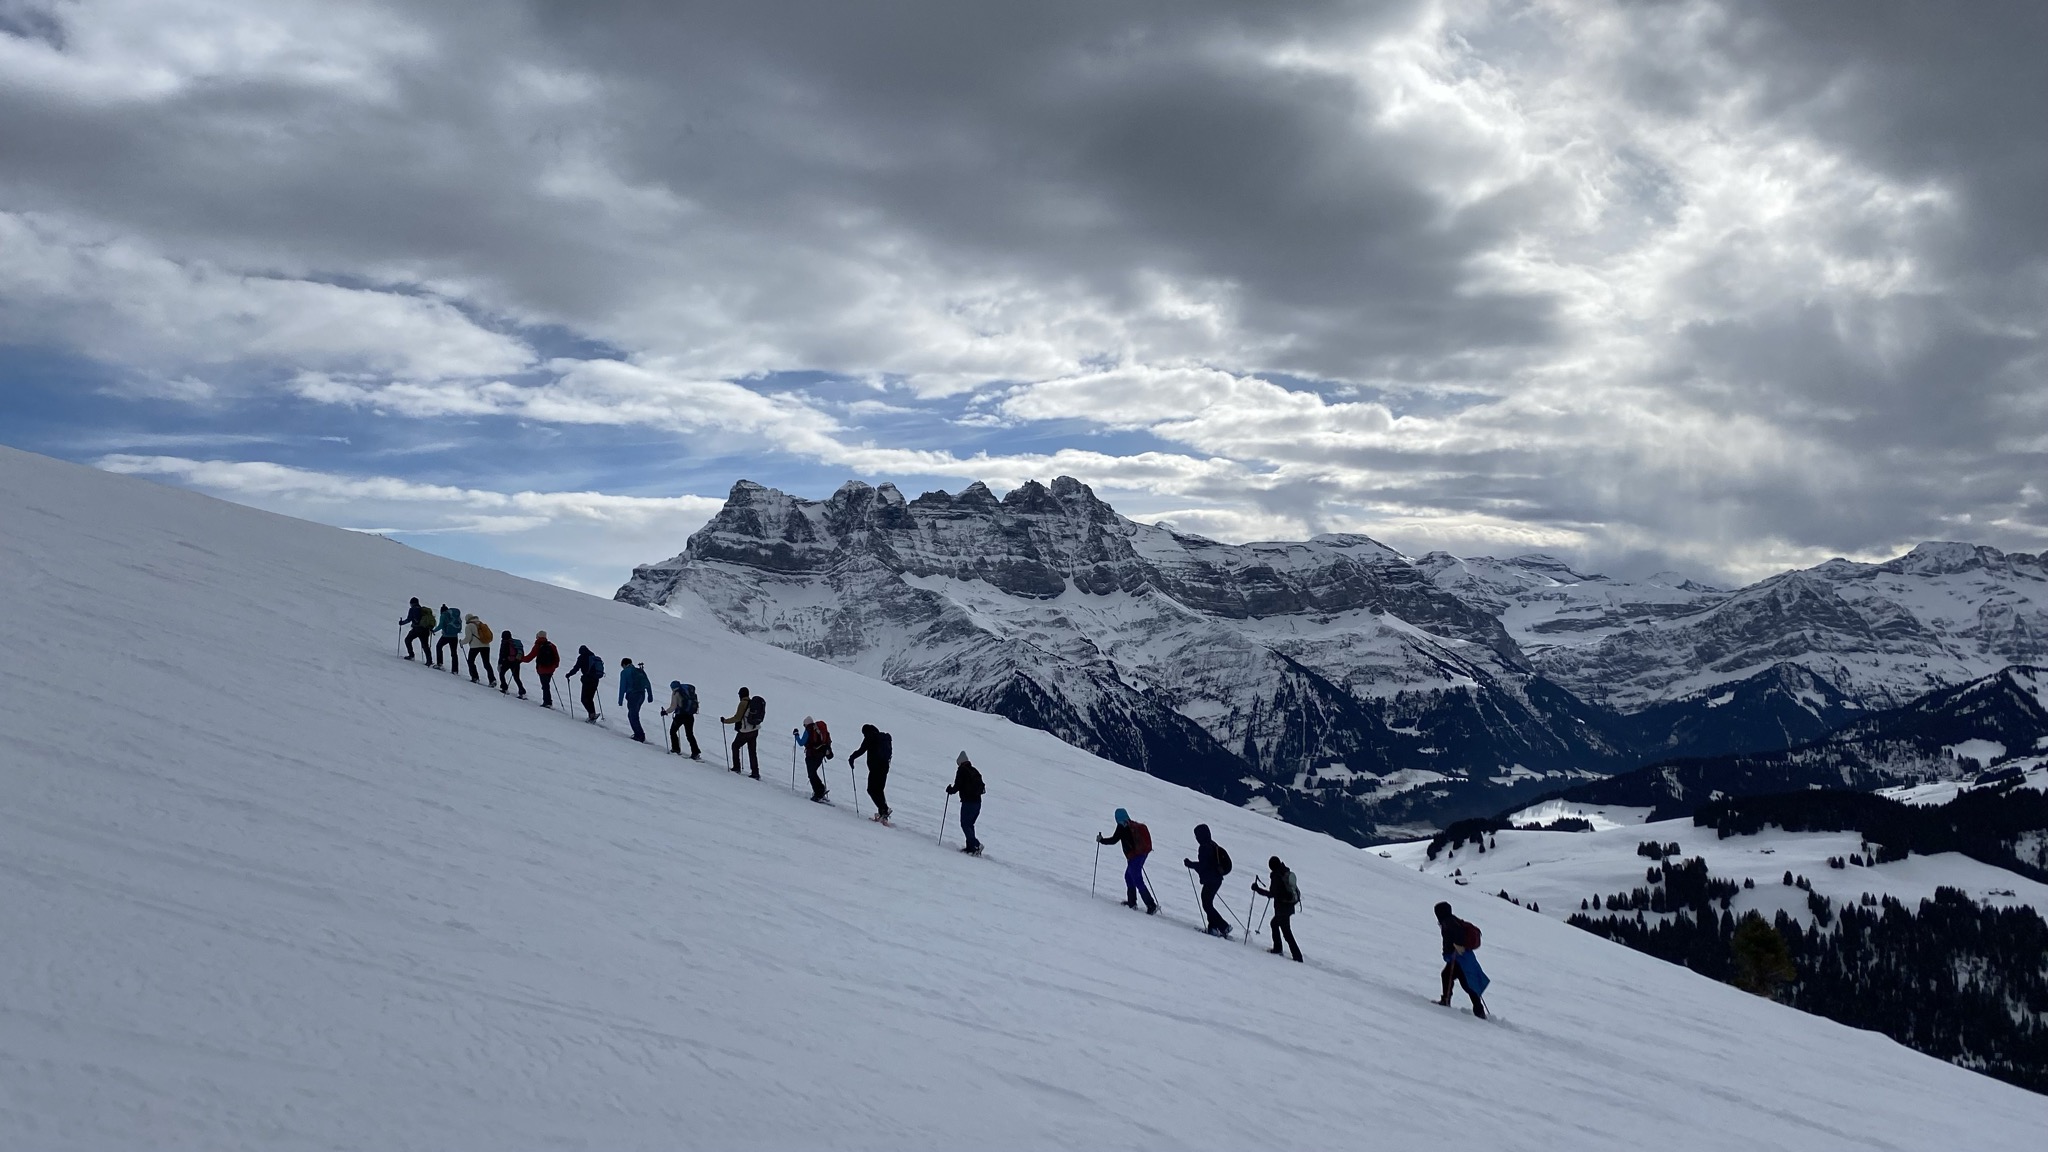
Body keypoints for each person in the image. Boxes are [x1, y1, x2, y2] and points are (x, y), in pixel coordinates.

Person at [1097, 810, 1157, 913]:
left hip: (1134, 856)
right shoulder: (1132, 824)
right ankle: (1132, 902)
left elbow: (1113, 840)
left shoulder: (1122, 827)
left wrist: (1101, 840)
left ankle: (1151, 905)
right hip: (1142, 854)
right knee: (1129, 876)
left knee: (1136, 878)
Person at [1435, 901, 1488, 1019]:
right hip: (1461, 957)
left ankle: (1447, 1001)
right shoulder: (1451, 920)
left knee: (1459, 981)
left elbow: (1458, 936)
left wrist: (1457, 946)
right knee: (1461, 981)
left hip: (1459, 958)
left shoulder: (1449, 922)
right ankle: (1478, 1011)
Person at [1184, 824, 1232, 937]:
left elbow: (1203, 866)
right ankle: (1213, 928)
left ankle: (1223, 926)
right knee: (1208, 903)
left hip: (1211, 879)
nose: (1196, 838)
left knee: (1207, 904)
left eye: (1197, 835)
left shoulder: (1204, 847)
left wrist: (1190, 864)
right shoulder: (1212, 844)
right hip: (1216, 879)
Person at [1252, 857, 1303, 962]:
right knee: (1275, 924)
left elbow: (1272, 894)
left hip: (1282, 909)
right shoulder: (1285, 871)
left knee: (1286, 932)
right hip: (1288, 907)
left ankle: (1296, 956)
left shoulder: (1277, 877)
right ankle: (1279, 949)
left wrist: (1257, 889)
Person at [848, 723, 893, 823]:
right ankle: (883, 812)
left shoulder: (870, 737)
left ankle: (884, 810)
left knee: (871, 790)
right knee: (879, 790)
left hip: (875, 768)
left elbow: (861, 750)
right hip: (885, 766)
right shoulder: (883, 738)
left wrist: (852, 758)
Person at [946, 751, 984, 854]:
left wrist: (950, 790)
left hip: (968, 802)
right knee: (970, 824)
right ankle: (971, 848)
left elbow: (958, 785)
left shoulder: (962, 770)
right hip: (977, 802)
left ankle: (976, 845)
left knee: (965, 824)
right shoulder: (974, 770)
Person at [724, 687, 761, 777]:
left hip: (746, 731)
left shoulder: (743, 703)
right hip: (755, 729)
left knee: (735, 746)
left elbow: (737, 717)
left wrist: (725, 721)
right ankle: (755, 772)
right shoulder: (752, 703)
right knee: (752, 751)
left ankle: (737, 767)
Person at [795, 716, 833, 801]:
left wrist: (796, 735)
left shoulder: (809, 730)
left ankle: (819, 792)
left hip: (812, 755)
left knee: (811, 774)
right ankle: (821, 790)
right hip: (821, 754)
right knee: (813, 773)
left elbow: (801, 743)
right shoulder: (818, 729)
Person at [661, 680, 701, 758]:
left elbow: (673, 706)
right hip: (690, 715)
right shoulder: (688, 691)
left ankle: (676, 749)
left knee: (673, 731)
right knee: (689, 734)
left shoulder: (676, 693)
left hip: (680, 715)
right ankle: (695, 752)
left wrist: (665, 712)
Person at [565, 644, 604, 722]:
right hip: (595, 680)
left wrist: (569, 674)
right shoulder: (593, 657)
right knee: (590, 698)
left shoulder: (582, 657)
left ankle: (592, 715)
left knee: (584, 699)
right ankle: (592, 714)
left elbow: (576, 668)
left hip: (587, 680)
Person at [617, 658, 653, 742]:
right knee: (634, 714)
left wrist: (620, 700)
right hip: (641, 695)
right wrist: (650, 695)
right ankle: (639, 734)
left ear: (624, 665)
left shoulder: (625, 672)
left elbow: (622, 686)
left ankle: (639, 735)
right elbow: (647, 683)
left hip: (633, 695)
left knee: (632, 715)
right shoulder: (640, 671)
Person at [525, 630, 560, 708]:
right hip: (550, 669)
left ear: (538, 636)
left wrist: (521, 659)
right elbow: (557, 658)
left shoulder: (538, 645)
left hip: (541, 669)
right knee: (546, 685)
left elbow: (530, 657)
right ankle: (548, 701)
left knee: (545, 685)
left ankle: (547, 702)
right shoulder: (552, 645)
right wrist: (554, 667)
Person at [462, 613, 496, 686]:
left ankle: (475, 677)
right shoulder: (481, 624)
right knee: (486, 663)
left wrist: (461, 642)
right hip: (486, 645)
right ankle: (492, 680)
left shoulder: (469, 626)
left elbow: (468, 638)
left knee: (471, 661)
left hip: (475, 646)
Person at [497, 630, 528, 698]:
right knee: (516, 677)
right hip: (516, 662)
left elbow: (502, 654)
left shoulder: (504, 643)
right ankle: (522, 691)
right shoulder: (515, 643)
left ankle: (504, 688)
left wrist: (500, 663)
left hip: (507, 661)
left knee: (501, 673)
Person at [435, 604, 461, 671]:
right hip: (455, 636)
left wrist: (434, 630)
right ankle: (455, 670)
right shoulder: (454, 615)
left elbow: (440, 625)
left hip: (446, 636)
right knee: (454, 653)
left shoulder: (444, 615)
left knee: (439, 646)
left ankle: (439, 664)